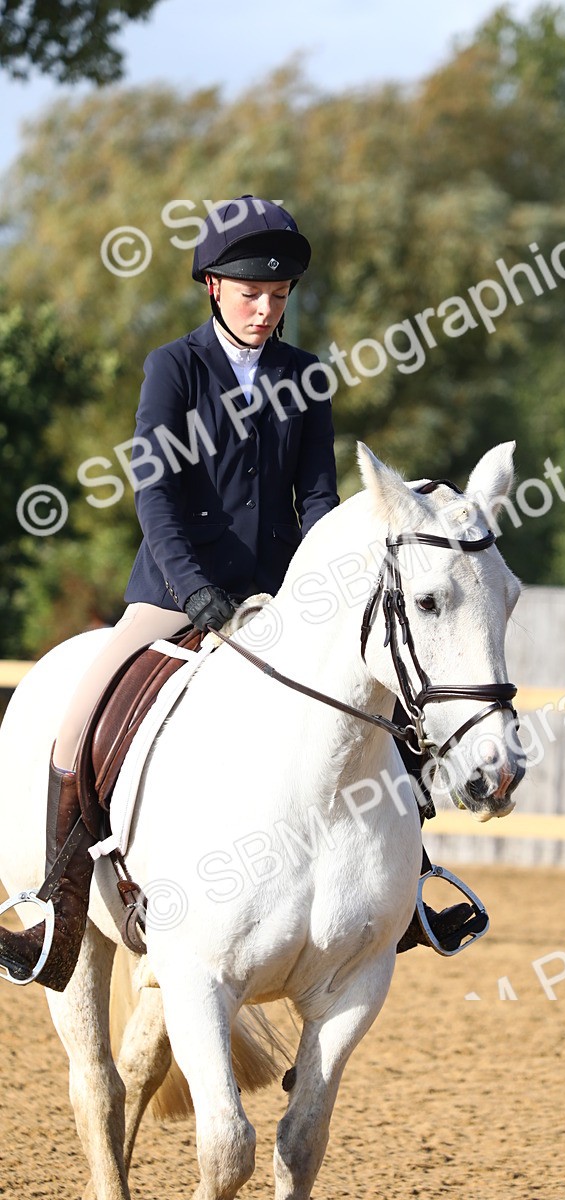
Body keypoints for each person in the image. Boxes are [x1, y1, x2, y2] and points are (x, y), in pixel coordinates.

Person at [0, 196, 338, 989]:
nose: (266, 309)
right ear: (213, 286)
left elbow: (319, 497)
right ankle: (58, 911)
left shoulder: (305, 376)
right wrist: (195, 591)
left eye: (279, 295)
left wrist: (320, 586)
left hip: (279, 598)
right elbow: (156, 497)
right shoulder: (174, 367)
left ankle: (411, 886)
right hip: (174, 592)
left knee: (371, 700)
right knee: (77, 726)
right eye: (251, 293)